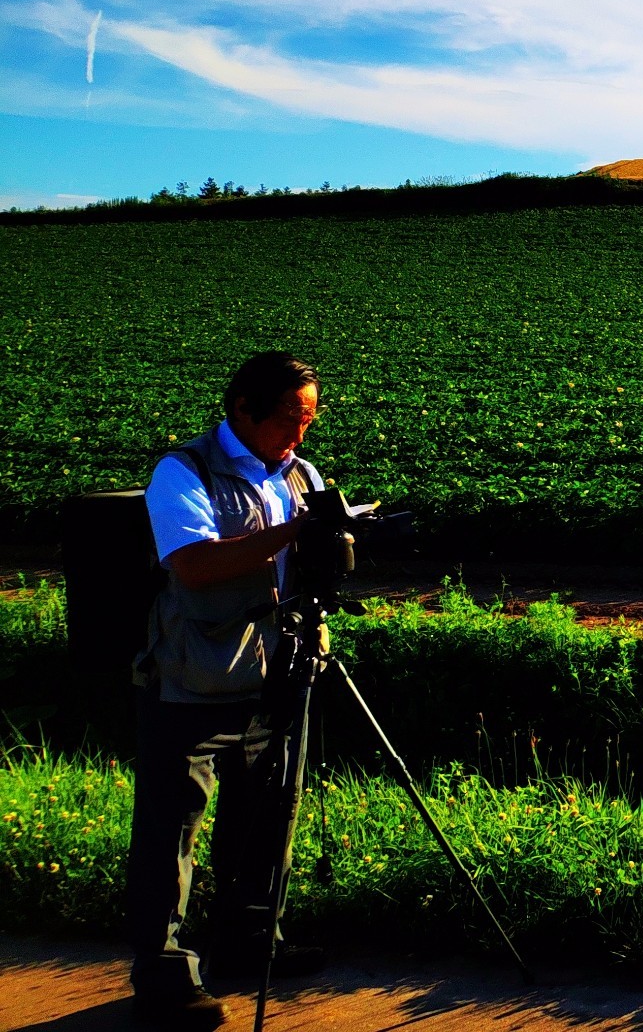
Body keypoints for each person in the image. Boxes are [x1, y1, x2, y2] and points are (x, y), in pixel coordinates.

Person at [126, 351, 330, 1030]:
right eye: (289, 418)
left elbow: (302, 563)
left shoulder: (299, 475)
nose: (300, 433)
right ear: (242, 409)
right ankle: (164, 976)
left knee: (269, 817)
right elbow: (193, 564)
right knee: (169, 832)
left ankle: (249, 943)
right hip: (193, 678)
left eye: (309, 418)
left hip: (276, 674)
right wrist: (294, 531)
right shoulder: (181, 471)